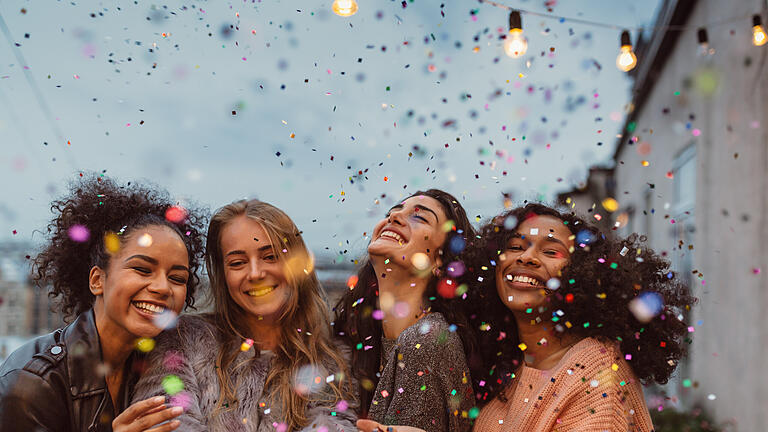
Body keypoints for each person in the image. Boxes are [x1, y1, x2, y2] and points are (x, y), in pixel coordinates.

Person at [0, 174, 207, 431]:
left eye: (177, 277)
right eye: (142, 269)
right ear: (98, 280)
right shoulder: (32, 384)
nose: (162, 287)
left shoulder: (163, 364)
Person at [132, 199, 357, 431]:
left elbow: (333, 424)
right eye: (237, 262)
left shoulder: (332, 358)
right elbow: (167, 422)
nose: (255, 273)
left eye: (270, 257)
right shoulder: (182, 341)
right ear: (223, 273)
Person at [467, 203, 695, 431]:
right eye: (516, 247)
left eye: (550, 252)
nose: (527, 257)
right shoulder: (506, 362)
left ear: (583, 274)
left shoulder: (596, 373)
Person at [334, 189, 477, 432]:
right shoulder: (361, 338)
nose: (394, 218)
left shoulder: (427, 340)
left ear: (442, 262)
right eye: (392, 212)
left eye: (419, 217)